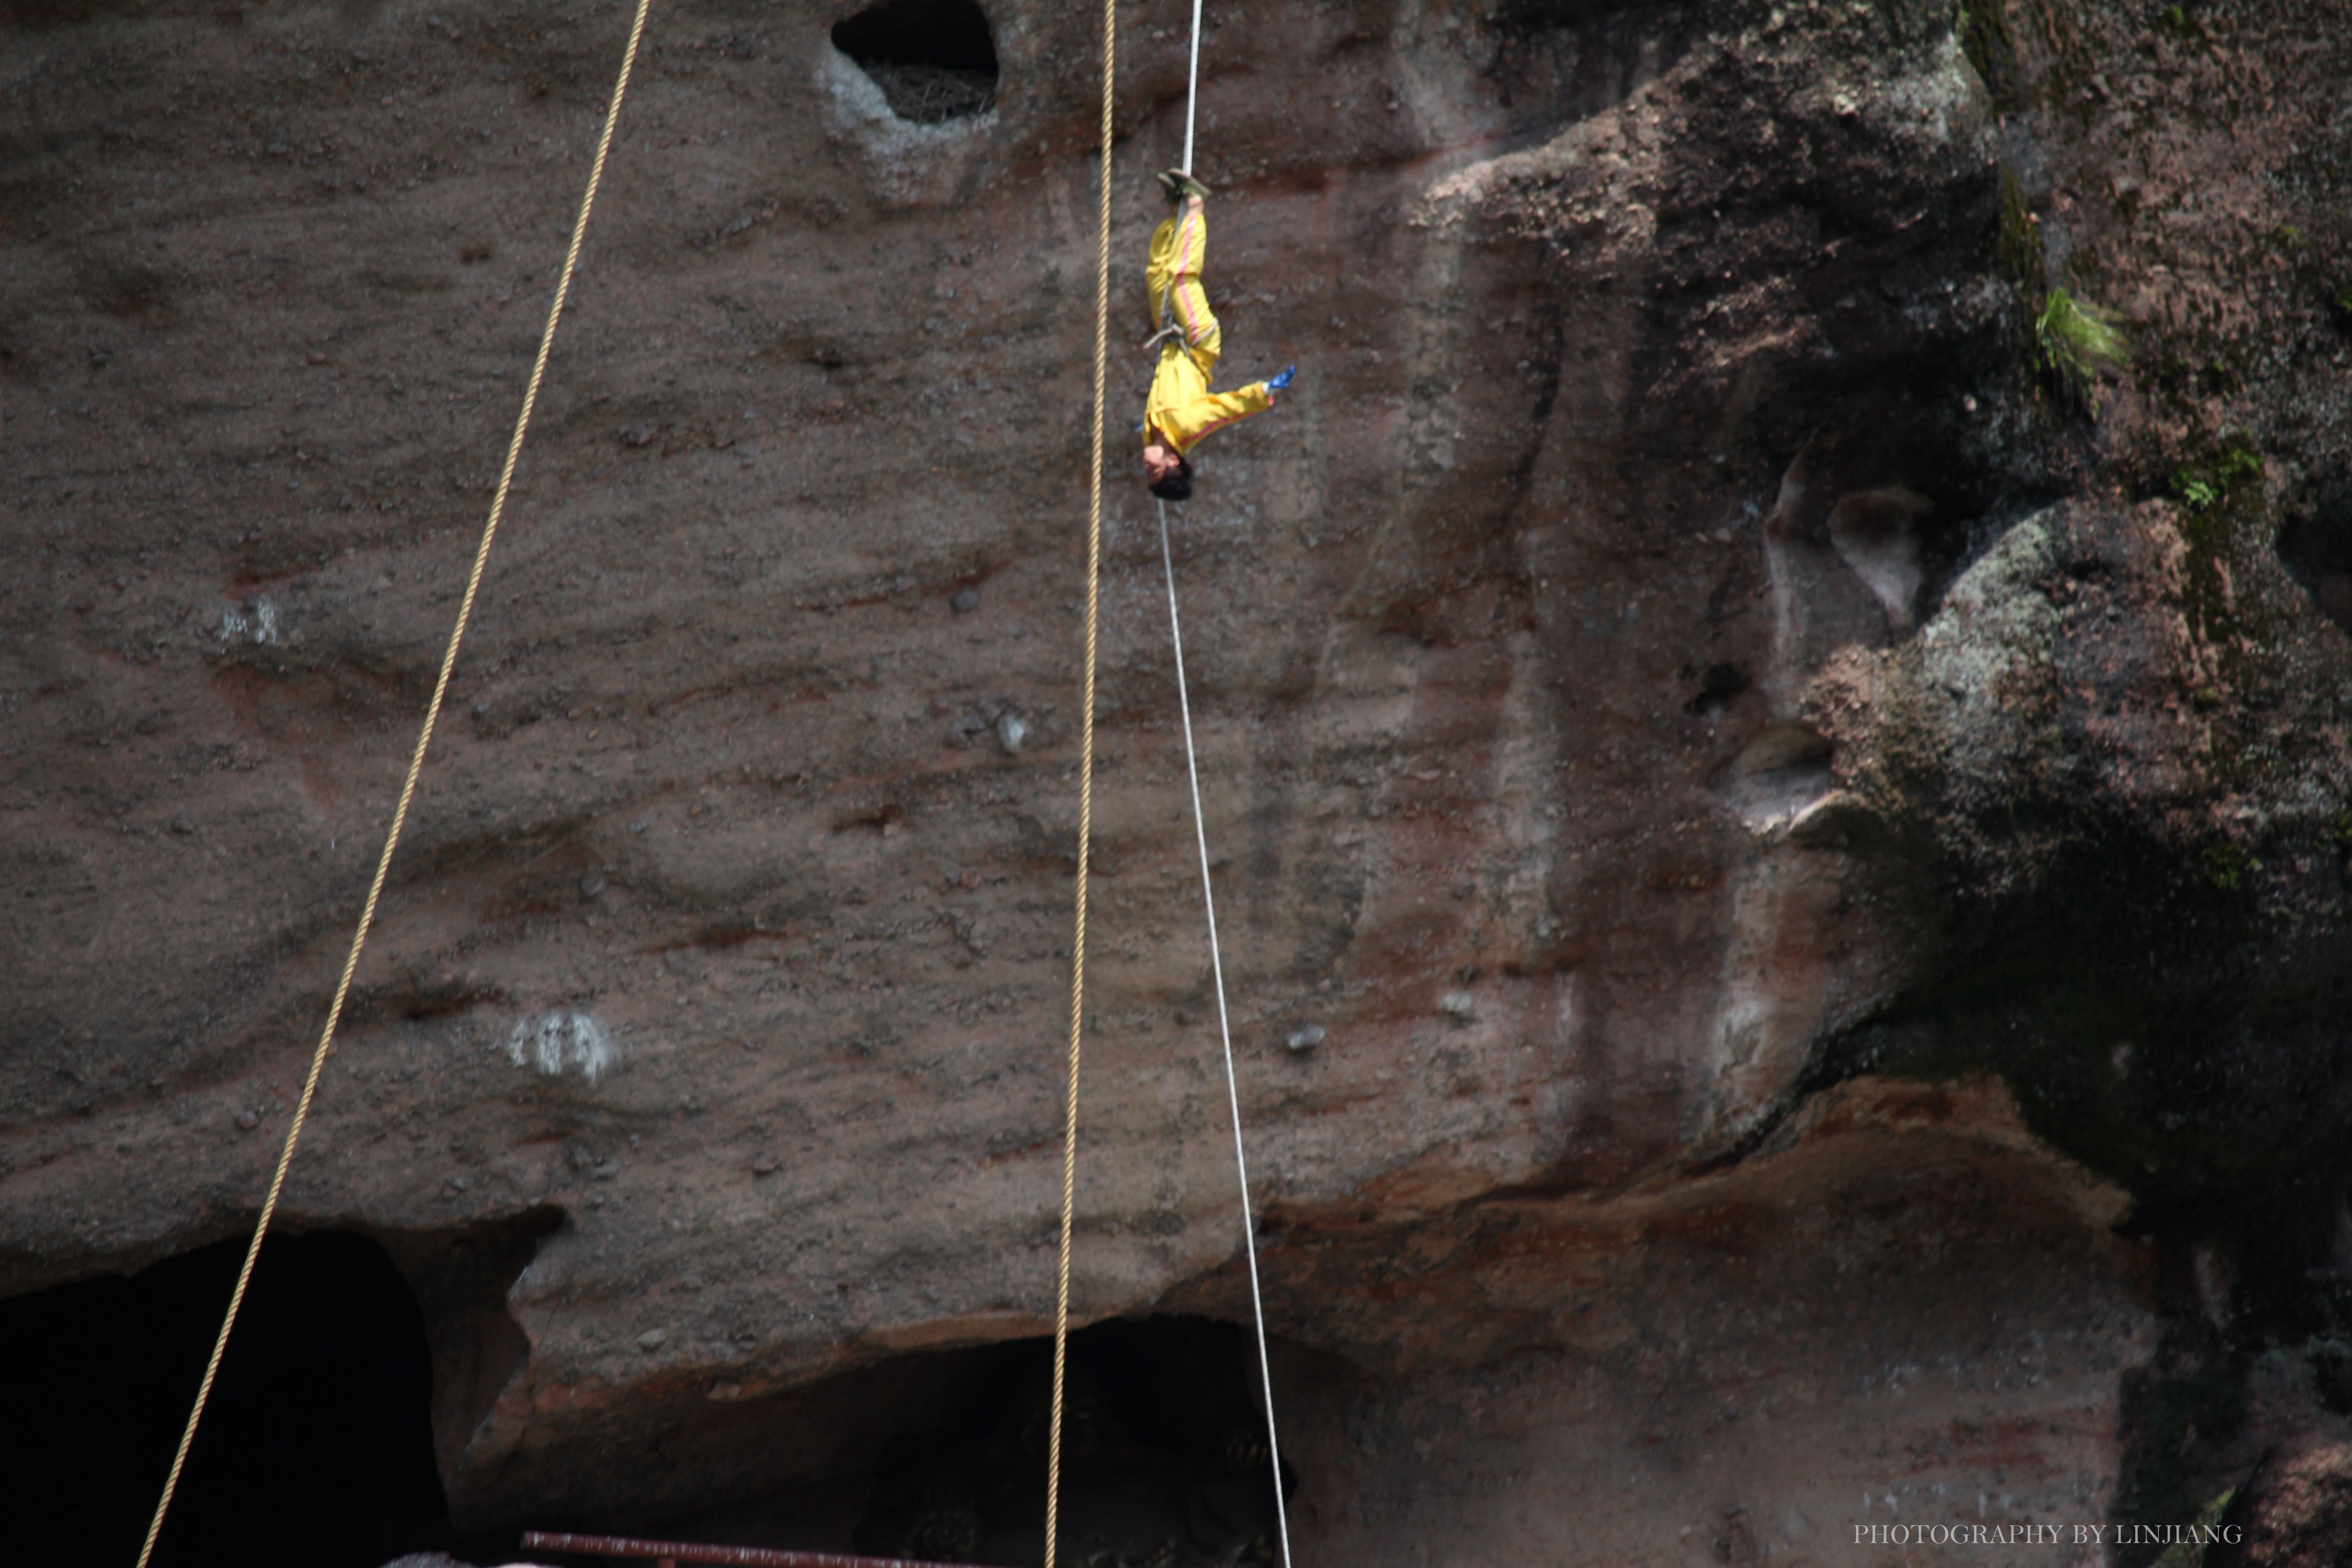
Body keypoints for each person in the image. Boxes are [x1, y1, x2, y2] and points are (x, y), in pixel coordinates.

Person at [1140, 170, 1296, 501]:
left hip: (1170, 337)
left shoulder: (1152, 432)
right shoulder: (1187, 428)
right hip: (1197, 344)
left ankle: (1175, 215)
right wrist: (1263, 392)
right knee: (1181, 278)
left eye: (1148, 473)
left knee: (1156, 275)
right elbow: (1226, 410)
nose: (1146, 465)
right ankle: (1195, 206)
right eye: (1155, 470)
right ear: (1172, 461)